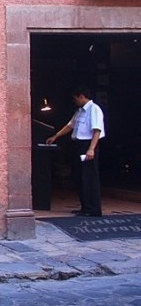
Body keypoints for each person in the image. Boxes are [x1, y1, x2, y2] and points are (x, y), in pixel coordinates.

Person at [46, 86, 105, 217]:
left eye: (75, 99)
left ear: (81, 96)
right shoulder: (79, 111)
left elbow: (97, 130)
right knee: (79, 176)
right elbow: (70, 125)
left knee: (89, 177)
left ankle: (93, 209)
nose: (74, 101)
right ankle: (85, 207)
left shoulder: (94, 110)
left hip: (88, 146)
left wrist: (91, 149)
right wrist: (56, 136)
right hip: (78, 146)